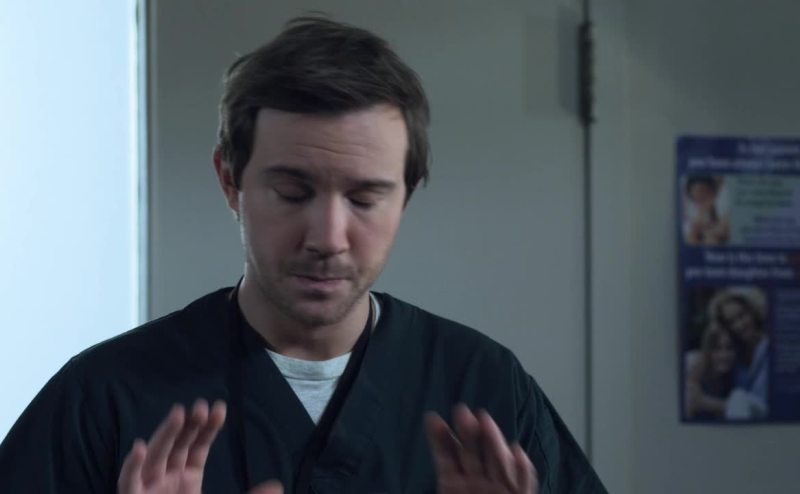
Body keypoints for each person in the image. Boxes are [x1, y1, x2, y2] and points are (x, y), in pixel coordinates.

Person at [0, 16, 605, 493]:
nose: (328, 237)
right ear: (230, 180)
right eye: (293, 193)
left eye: (365, 198)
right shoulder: (107, 399)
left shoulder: (486, 391)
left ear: (407, 195)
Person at [708, 287, 769, 419]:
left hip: (770, 425)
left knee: (738, 396)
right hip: (735, 425)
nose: (739, 325)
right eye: (731, 322)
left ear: (752, 311)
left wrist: (708, 404)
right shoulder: (732, 355)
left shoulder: (771, 348)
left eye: (742, 315)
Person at [684, 325, 737, 420]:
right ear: (707, 350)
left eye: (729, 348)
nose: (724, 355)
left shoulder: (726, 377)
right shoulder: (694, 364)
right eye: (717, 349)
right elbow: (691, 404)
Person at [683, 175, 729, 246]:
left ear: (713, 193)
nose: (702, 205)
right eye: (697, 200)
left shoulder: (724, 214)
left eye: (703, 197)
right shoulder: (694, 224)